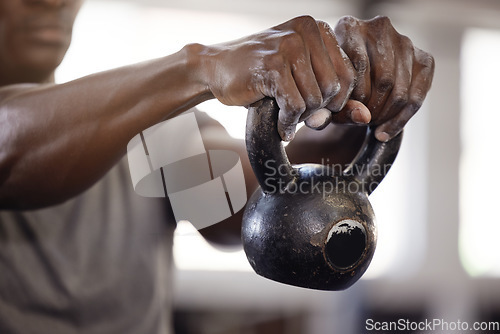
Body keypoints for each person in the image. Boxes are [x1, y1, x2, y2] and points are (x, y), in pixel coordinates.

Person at [0, 0, 434, 333]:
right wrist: (201, 67)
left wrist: (345, 114)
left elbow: (249, 202)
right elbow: (9, 143)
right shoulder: (130, 111)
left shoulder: (155, 136)